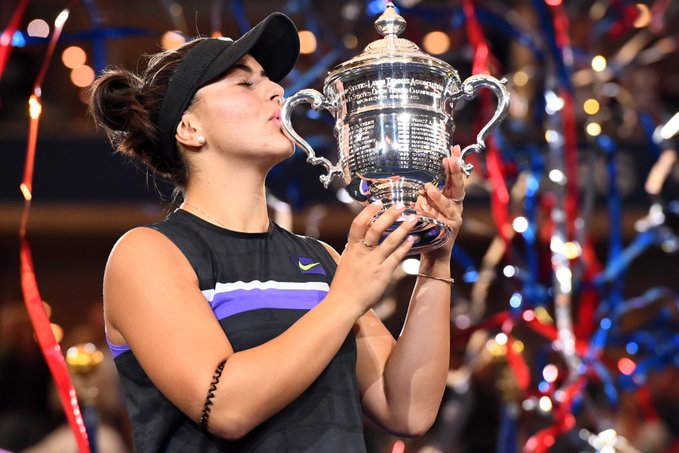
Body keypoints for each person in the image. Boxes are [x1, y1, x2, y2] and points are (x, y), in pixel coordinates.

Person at [88, 11, 465, 452]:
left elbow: (408, 409)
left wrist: (435, 258)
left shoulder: (323, 259)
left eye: (268, 79)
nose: (276, 90)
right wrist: (344, 299)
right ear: (189, 129)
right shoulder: (149, 254)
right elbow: (225, 407)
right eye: (244, 83)